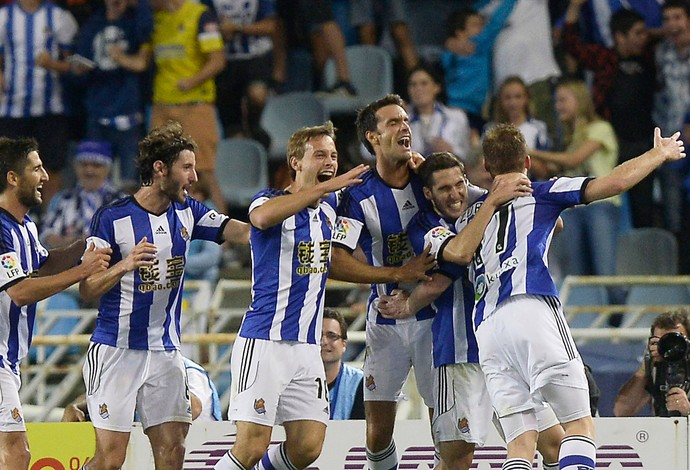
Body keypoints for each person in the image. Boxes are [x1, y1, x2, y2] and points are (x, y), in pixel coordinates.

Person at [442, 123, 683, 470]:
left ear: (487, 166)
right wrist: (657, 153)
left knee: (521, 444)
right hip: (531, 307)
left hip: (488, 332)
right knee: (579, 424)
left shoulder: (470, 217)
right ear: (527, 161)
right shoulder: (542, 192)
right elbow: (612, 183)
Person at [78, 121, 250, 470]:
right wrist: (124, 264)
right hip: (116, 350)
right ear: (160, 169)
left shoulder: (188, 211)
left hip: (165, 352)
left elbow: (243, 232)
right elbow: (87, 288)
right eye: (186, 167)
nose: (193, 177)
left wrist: (284, 210)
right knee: (110, 460)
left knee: (173, 451)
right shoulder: (112, 218)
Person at [213, 122, 368, 470]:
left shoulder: (330, 211)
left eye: (333, 155)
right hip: (266, 340)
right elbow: (260, 219)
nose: (329, 162)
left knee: (307, 447)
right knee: (251, 446)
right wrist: (324, 189)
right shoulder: (270, 200)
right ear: (296, 162)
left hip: (307, 347)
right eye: (320, 155)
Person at [329, 94, 441, 470]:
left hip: (436, 317)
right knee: (376, 434)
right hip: (386, 321)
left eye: (406, 120)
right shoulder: (357, 195)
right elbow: (336, 262)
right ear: (372, 137)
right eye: (393, 122)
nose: (404, 127)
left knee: (442, 423)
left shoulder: (429, 179)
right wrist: (395, 273)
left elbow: (467, 213)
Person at [0, 137, 111, 470]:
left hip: (9, 358)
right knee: (16, 453)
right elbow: (18, 291)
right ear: (12, 178)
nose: (46, 176)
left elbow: (44, 264)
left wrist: (84, 246)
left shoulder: (25, 227)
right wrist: (82, 271)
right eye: (36, 168)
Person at [563, 0, 656, 229]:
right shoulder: (604, 58)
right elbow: (571, 44)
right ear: (619, 36)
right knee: (614, 205)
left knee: (644, 209)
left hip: (643, 144)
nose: (644, 37)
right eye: (637, 33)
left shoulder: (650, 58)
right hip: (611, 145)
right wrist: (574, 8)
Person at [529, 80, 621, 281]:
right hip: (574, 208)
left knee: (605, 271)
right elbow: (555, 168)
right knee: (576, 275)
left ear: (579, 100)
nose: (557, 106)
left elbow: (574, 160)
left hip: (600, 205)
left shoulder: (600, 128)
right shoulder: (571, 139)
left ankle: (617, 313)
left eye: (562, 100)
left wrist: (530, 151)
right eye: (555, 101)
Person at [145, 0, 228, 214]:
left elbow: (217, 60)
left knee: (204, 171)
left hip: (194, 105)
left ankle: (227, 239)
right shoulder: (156, 20)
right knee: (156, 173)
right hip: (162, 106)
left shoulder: (200, 15)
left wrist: (191, 81)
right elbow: (142, 61)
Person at [0, 0, 79, 207]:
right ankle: (10, 215)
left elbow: (74, 66)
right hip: (12, 107)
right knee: (10, 167)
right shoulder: (3, 17)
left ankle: (49, 217)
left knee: (51, 167)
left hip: (51, 107)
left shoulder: (60, 17)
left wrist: (52, 64)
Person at [70, 0, 153, 188]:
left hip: (129, 116)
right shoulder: (92, 26)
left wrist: (137, 5)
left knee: (130, 184)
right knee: (93, 183)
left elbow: (146, 35)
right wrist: (79, 71)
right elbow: (79, 71)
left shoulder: (135, 24)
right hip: (98, 115)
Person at [63, 356, 222, 422]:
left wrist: (139, 385)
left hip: (198, 454)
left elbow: (193, 408)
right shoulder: (128, 371)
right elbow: (100, 398)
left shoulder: (189, 371)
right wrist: (77, 407)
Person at [441, 0, 516, 137]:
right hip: (465, 111)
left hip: (463, 108)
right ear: (460, 33)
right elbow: (495, 22)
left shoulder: (449, 52)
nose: (481, 28)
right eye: (475, 25)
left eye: (481, 24)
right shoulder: (476, 45)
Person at [40, 140, 127, 250]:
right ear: (75, 166)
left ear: (108, 169)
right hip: (68, 261)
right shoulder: (62, 198)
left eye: (96, 165)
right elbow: (46, 235)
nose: (89, 170)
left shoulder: (121, 201)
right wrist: (75, 243)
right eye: (84, 165)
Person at [614, 310, 690, 417]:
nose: (670, 348)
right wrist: (645, 366)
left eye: (676, 341)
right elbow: (622, 411)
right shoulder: (656, 368)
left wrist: (688, 410)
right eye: (662, 342)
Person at [483, 76, 554, 181]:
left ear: (526, 98)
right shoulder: (490, 129)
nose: (513, 103)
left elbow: (544, 169)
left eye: (518, 97)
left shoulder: (538, 128)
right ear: (500, 101)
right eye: (508, 98)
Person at [406, 64, 471, 162]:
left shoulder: (457, 117)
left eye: (424, 83)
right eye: (413, 84)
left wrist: (452, 151)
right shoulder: (403, 120)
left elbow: (468, 154)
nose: (418, 89)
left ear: (437, 87)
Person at [321, 307, 364, 420]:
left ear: (344, 344)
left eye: (332, 336)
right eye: (318, 335)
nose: (324, 341)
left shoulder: (360, 383)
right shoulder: (294, 382)